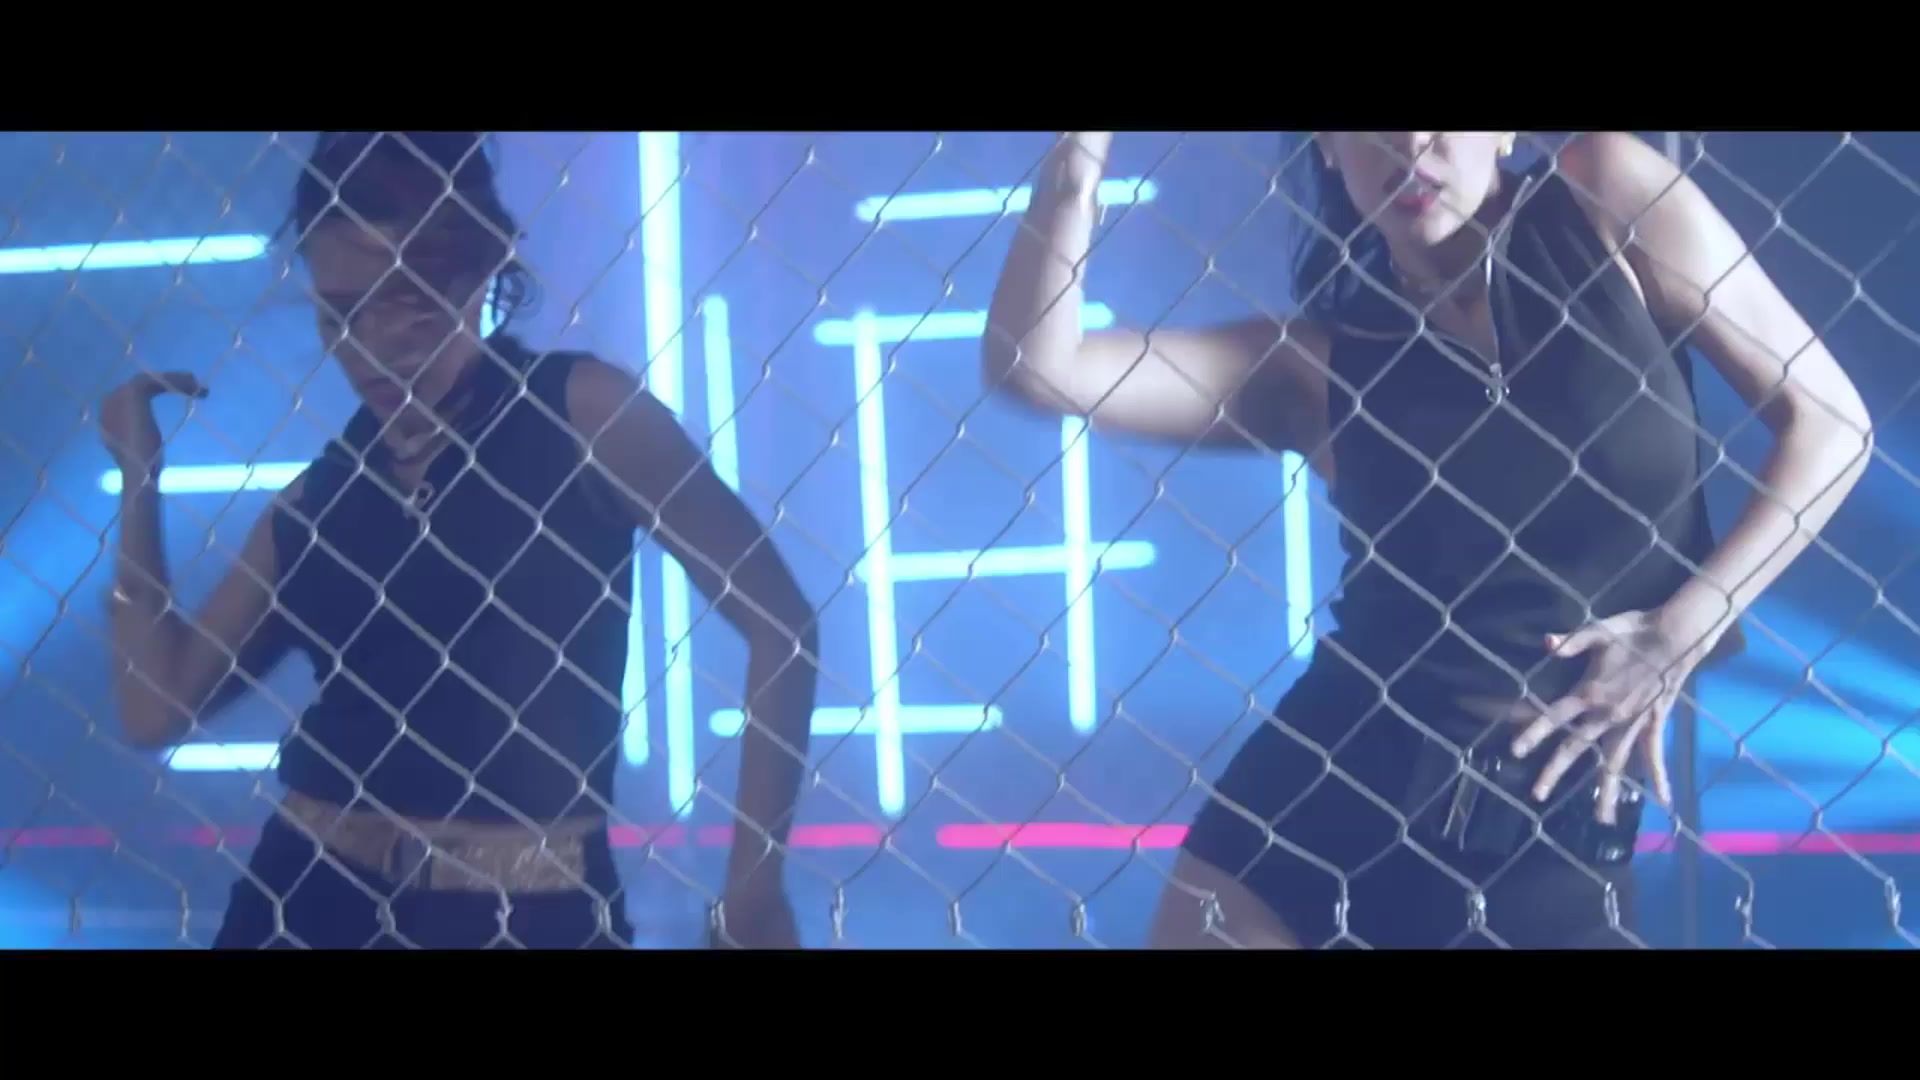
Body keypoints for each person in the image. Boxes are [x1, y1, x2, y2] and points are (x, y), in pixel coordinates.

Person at [983, 131, 1873, 948]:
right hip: (1315, 809)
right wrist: (1077, 160)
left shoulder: (1604, 194)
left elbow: (1832, 426)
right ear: (1328, 147)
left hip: (1548, 840)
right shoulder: (1324, 363)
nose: (1412, 143)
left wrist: (1680, 630)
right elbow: (1038, 367)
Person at [100, 131, 817, 949]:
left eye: (408, 299)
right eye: (341, 313)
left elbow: (783, 628)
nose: (373, 345)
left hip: (532, 910)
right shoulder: (321, 498)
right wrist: (138, 481)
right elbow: (154, 706)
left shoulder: (582, 414)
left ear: (479, 272)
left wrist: (754, 893)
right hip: (306, 897)